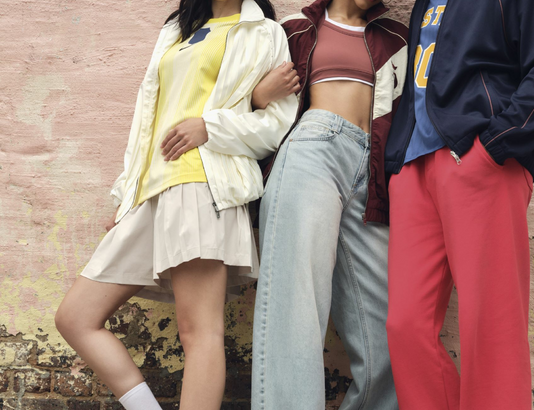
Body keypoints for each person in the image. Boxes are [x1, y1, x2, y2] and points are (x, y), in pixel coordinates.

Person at [53, 0, 298, 408]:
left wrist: (210, 126)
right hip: (151, 193)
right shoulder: (177, 29)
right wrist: (127, 195)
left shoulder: (264, 32)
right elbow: (148, 121)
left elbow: (275, 126)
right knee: (75, 317)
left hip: (203, 184)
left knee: (198, 332)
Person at [383, 0, 534, 408]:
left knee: (491, 325)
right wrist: (396, 164)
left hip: (478, 161)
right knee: (406, 325)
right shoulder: (425, 3)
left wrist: (496, 143)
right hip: (412, 167)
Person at [247, 0, 408, 407]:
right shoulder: (293, 28)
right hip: (312, 149)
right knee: (296, 303)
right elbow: (235, 96)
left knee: (390, 329)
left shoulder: (398, 38)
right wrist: (257, 96)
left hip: (373, 173)